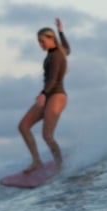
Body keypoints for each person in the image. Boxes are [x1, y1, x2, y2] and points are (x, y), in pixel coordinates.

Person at [18, 17, 70, 173]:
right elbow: (67, 48)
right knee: (24, 126)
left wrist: (43, 93)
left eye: (42, 41)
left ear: (50, 39)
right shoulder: (56, 52)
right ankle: (36, 161)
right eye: (38, 41)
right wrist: (61, 32)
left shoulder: (56, 56)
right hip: (48, 95)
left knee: (47, 135)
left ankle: (61, 166)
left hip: (56, 95)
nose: (40, 44)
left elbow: (53, 78)